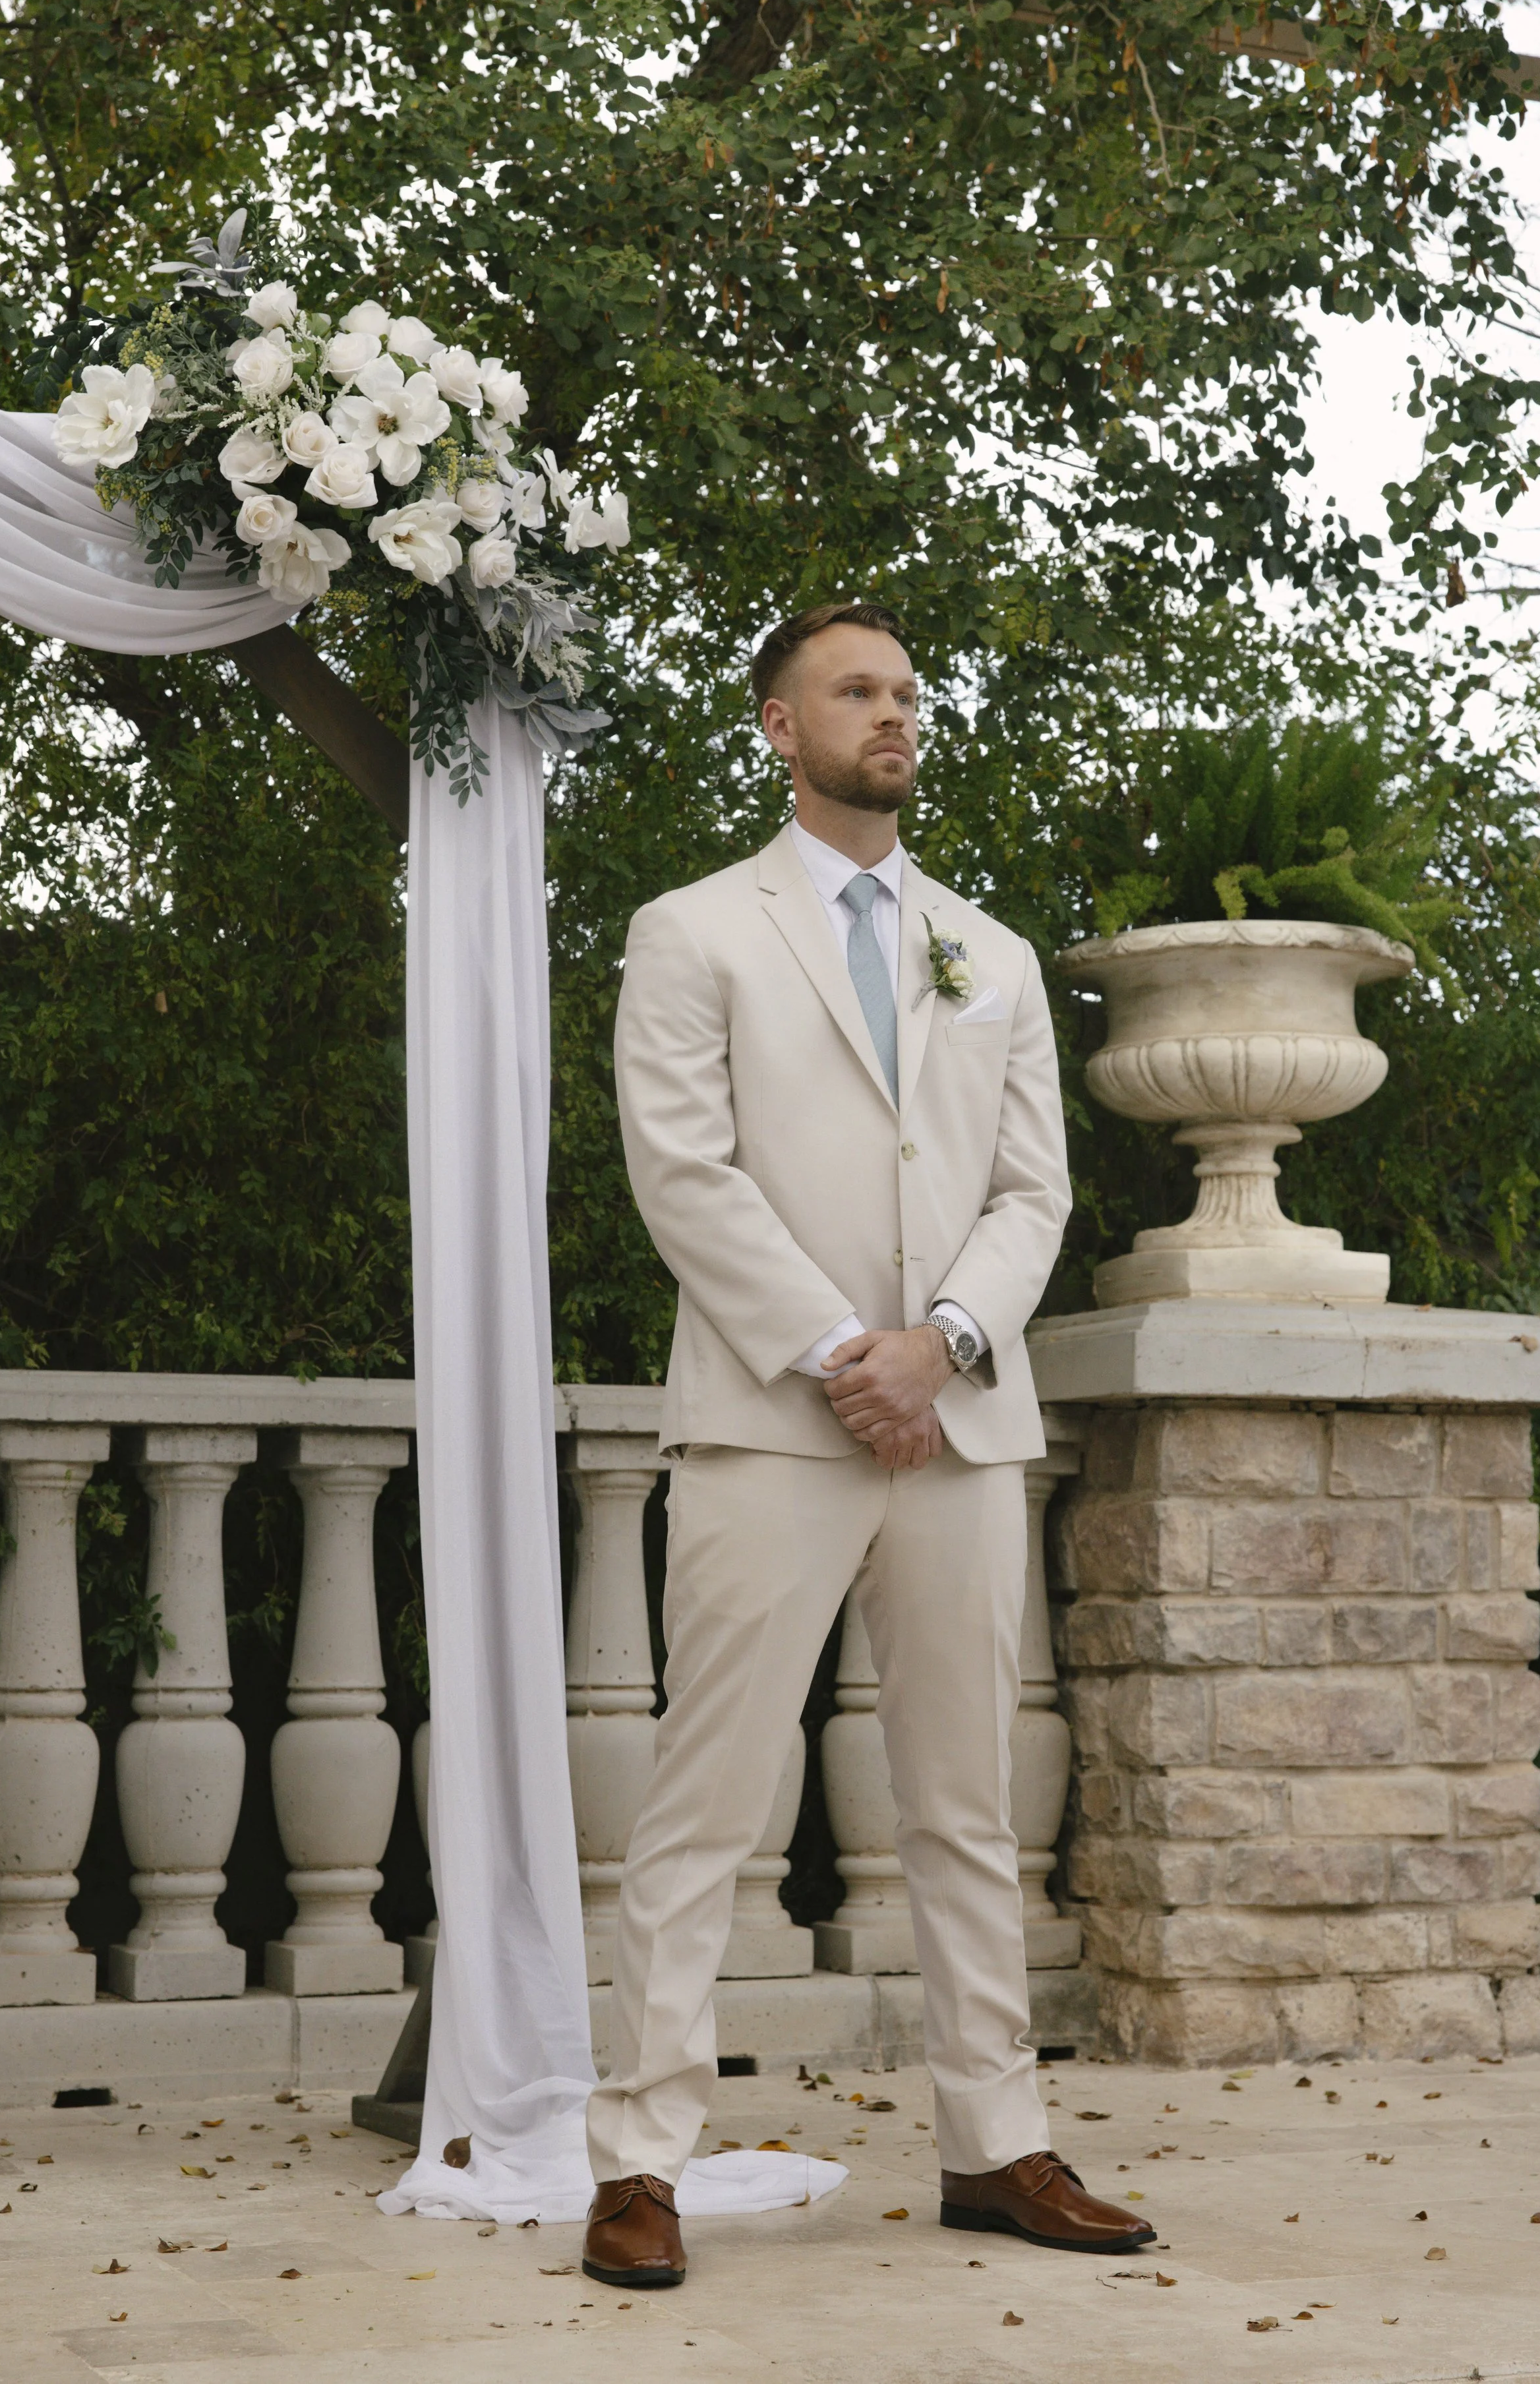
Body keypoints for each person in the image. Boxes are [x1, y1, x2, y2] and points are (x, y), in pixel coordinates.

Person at [582, 599, 1156, 2285]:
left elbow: (1029, 1188)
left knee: (968, 1804)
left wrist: (945, 1347)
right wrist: (847, 1357)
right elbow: (682, 1171)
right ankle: (637, 2161)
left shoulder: (989, 949)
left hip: (958, 1427)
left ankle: (996, 2142)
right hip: (776, 1422)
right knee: (706, 1799)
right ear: (778, 723)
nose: (891, 711)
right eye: (855, 688)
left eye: (906, 688)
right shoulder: (692, 930)